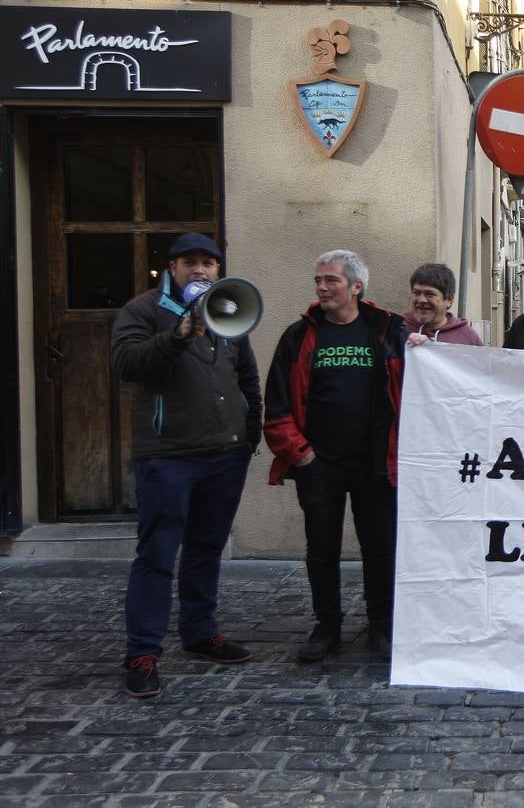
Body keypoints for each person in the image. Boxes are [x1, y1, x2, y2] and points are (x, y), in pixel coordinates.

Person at [111, 232, 261, 698]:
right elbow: (126, 363)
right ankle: (143, 651)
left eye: (209, 264)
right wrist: (174, 338)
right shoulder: (142, 311)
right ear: (172, 269)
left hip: (224, 454)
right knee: (157, 554)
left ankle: (199, 632)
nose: (200, 270)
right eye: (190, 263)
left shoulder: (227, 310)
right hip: (168, 456)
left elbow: (247, 377)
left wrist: (248, 434)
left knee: (205, 548)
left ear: (219, 270)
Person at [264, 250, 407, 663]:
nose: (322, 288)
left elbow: (426, 376)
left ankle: (382, 628)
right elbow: (276, 403)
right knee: (321, 549)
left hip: (375, 465)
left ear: (356, 287)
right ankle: (327, 627)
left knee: (380, 547)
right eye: (319, 281)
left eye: (331, 281)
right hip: (319, 464)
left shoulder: (387, 330)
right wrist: (300, 455)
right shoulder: (298, 336)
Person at [403, 263, 483, 345]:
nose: (421, 300)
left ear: (449, 300)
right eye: (416, 293)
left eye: (430, 294)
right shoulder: (395, 330)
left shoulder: (468, 338)